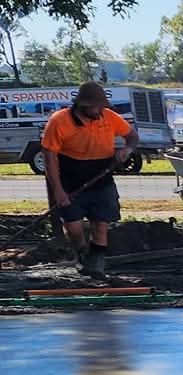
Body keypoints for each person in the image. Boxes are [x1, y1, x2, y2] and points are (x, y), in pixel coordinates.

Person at [42, 81, 140, 277]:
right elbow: (49, 157)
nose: (101, 110)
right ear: (83, 105)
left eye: (102, 106)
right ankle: (81, 253)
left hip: (101, 178)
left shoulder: (110, 118)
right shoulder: (59, 121)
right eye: (97, 106)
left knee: (101, 224)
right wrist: (58, 191)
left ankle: (96, 266)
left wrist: (127, 150)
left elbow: (132, 136)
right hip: (70, 180)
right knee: (74, 227)